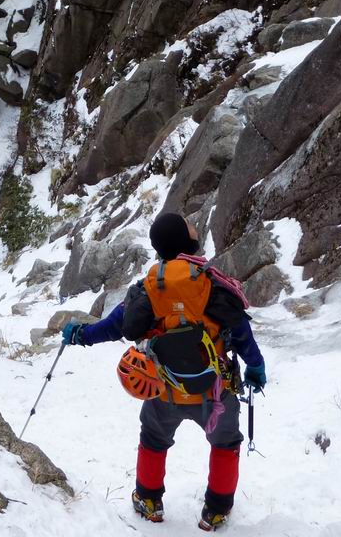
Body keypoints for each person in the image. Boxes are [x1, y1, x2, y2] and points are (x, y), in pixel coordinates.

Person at [61, 212, 267, 531]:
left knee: (154, 439)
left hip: (164, 390)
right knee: (225, 443)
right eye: (189, 226)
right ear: (185, 240)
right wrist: (255, 366)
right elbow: (241, 333)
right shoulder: (211, 283)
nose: (194, 227)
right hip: (215, 391)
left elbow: (115, 326)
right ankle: (216, 511)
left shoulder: (148, 288)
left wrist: (80, 334)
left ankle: (149, 500)